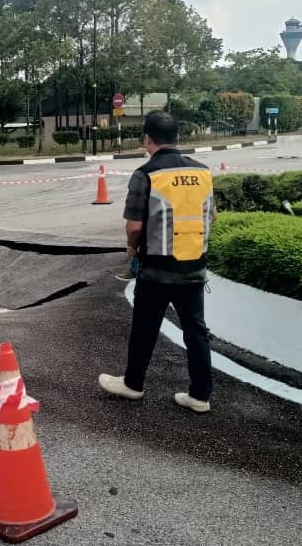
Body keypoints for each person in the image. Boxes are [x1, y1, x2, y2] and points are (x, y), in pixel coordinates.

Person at [98, 110, 218, 413]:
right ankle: (200, 396)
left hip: (157, 270)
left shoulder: (146, 174)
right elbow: (212, 216)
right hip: (193, 266)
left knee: (144, 328)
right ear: (178, 138)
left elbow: (135, 225)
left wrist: (131, 248)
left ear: (146, 139)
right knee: (196, 330)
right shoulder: (203, 172)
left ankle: (133, 384)